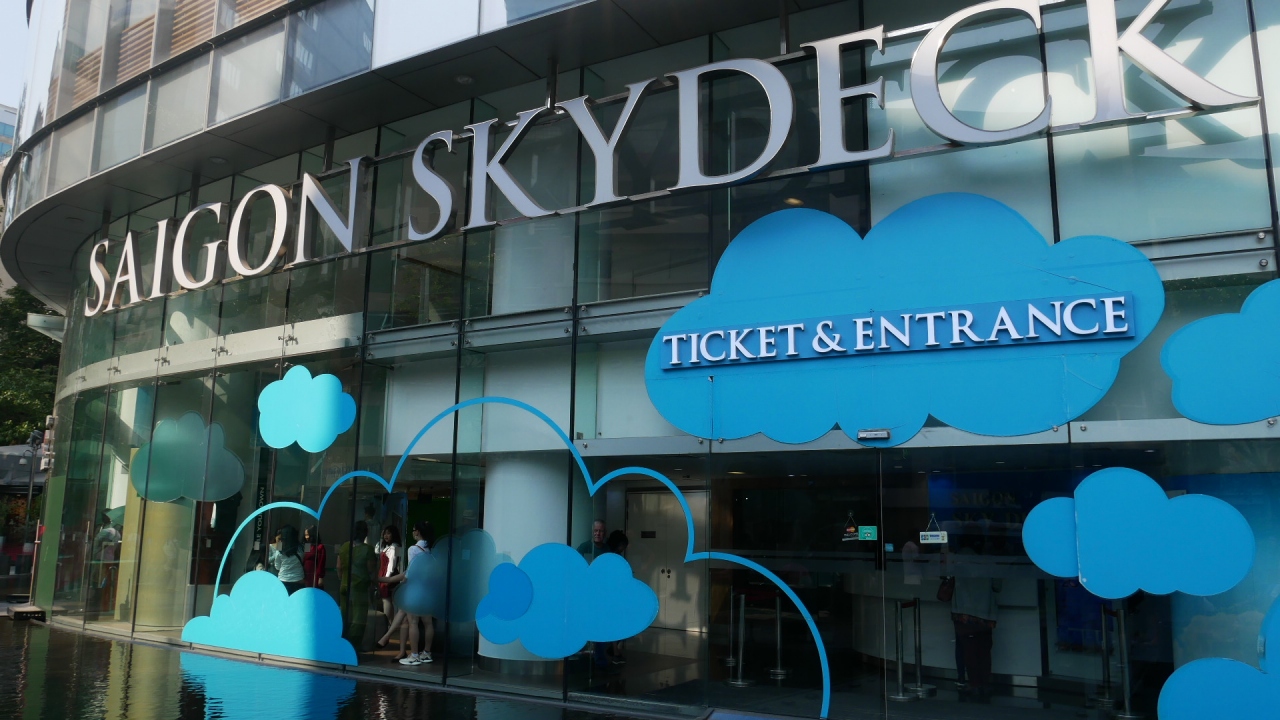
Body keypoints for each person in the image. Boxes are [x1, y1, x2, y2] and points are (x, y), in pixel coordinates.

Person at [377, 521, 435, 665]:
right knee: (427, 622)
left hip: (415, 589)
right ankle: (426, 652)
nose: (413, 532)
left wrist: (390, 579)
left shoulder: (413, 549)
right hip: (428, 590)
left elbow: (410, 573)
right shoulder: (429, 550)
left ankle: (414, 654)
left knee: (412, 622)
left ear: (417, 532)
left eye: (414, 530)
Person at [950, 542, 1001, 700]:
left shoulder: (956, 563)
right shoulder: (990, 563)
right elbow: (997, 586)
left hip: (963, 613)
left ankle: (974, 684)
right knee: (984, 651)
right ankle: (985, 684)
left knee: (969, 651)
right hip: (986, 613)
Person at [338, 521, 377, 646]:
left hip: (344, 585)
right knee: (358, 618)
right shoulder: (368, 549)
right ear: (365, 533)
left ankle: (342, 643)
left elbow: (339, 567)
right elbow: (370, 570)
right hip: (359, 587)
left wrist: (342, 579)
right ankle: (353, 646)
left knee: (344, 615)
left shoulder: (344, 546)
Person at [375, 526, 403, 622]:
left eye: (388, 533)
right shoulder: (389, 547)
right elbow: (377, 550)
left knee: (386, 599)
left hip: (388, 574)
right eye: (384, 533)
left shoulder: (394, 547)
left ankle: (386, 622)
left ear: (393, 534)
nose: (386, 536)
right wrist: (381, 538)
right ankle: (389, 622)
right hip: (386, 573)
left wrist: (387, 578)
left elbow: (392, 564)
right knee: (387, 599)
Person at [270, 525, 305, 594]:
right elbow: (303, 559)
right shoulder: (301, 548)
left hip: (283, 579)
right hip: (298, 579)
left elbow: (277, 567)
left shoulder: (280, 549)